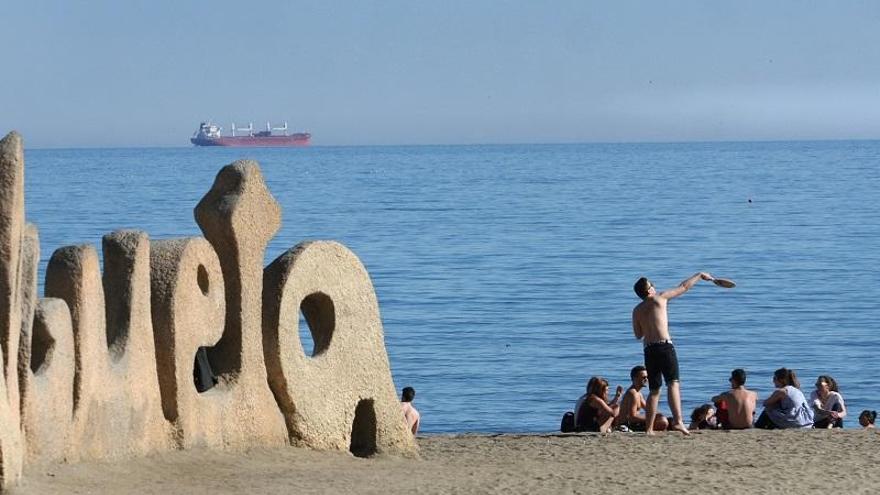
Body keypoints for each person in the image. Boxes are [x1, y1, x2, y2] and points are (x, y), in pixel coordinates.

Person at [632, 272, 716, 435]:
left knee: (654, 390)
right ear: (649, 290)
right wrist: (699, 276)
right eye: (652, 285)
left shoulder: (636, 310)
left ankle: (648, 429)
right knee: (673, 383)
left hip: (649, 349)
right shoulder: (660, 298)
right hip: (664, 347)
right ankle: (678, 421)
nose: (655, 287)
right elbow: (683, 287)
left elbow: (638, 335)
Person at [617, 365, 669, 432]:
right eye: (643, 377)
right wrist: (651, 418)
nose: (646, 379)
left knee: (667, 420)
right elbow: (632, 417)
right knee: (662, 422)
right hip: (627, 425)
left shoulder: (638, 393)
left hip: (634, 423)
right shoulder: (633, 393)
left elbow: (648, 409)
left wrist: (657, 415)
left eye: (647, 377)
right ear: (635, 378)